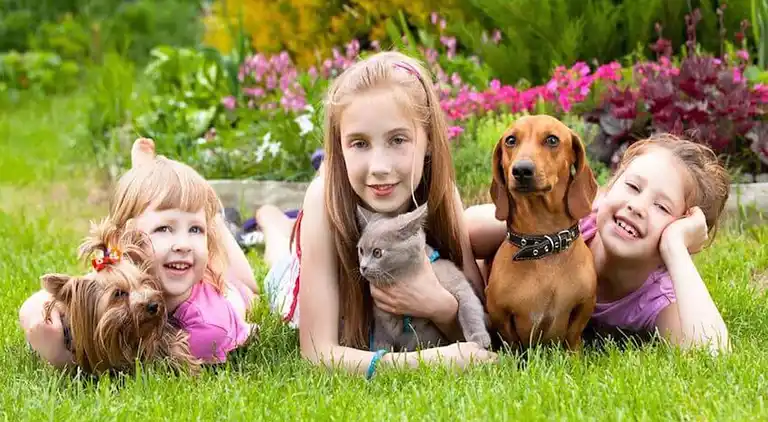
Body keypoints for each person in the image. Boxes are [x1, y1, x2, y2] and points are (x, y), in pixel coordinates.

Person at [258, 51, 497, 378]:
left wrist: (438, 307)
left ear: (428, 140)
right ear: (338, 147)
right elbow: (316, 353)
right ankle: (273, 222)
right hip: (298, 276)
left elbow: (479, 331)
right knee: (278, 265)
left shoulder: (443, 194)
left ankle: (281, 225)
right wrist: (429, 363)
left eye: (398, 139)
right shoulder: (323, 199)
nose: (379, 168)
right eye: (359, 143)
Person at [465, 134, 732, 354]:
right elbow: (468, 229)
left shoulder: (654, 297)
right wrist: (555, 219)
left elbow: (712, 353)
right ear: (608, 188)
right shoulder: (579, 225)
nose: (636, 206)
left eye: (662, 206)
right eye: (632, 187)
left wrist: (676, 249)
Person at [19, 138, 260, 367]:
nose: (182, 243)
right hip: (177, 264)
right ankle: (155, 186)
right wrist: (43, 327)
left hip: (227, 289)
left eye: (196, 229)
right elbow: (39, 303)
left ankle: (222, 217)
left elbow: (138, 365)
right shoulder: (126, 265)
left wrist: (61, 358)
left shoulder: (208, 329)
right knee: (186, 243)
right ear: (131, 238)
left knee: (247, 282)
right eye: (163, 228)